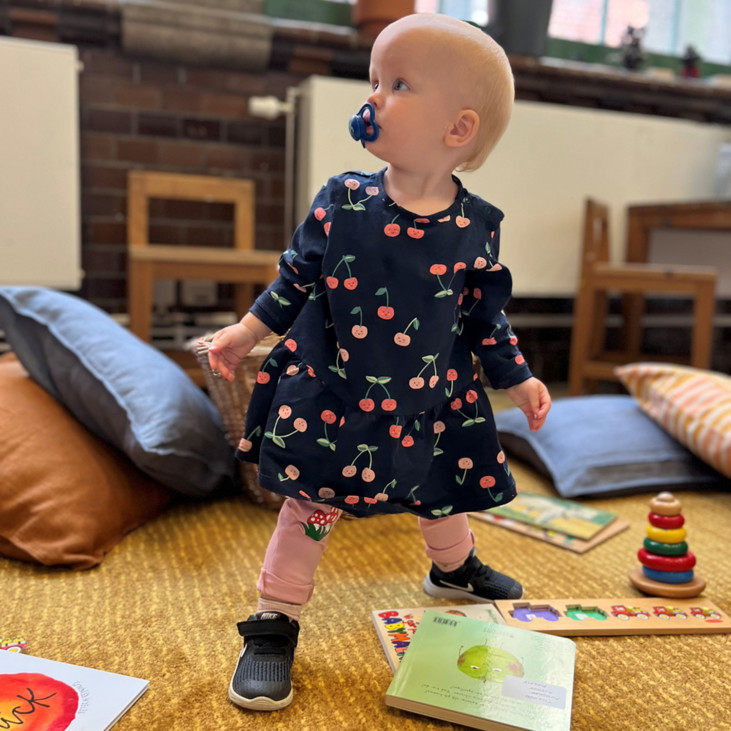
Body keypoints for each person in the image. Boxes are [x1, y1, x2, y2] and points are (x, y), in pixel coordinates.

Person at [208, 12, 551, 712]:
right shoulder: (343, 200)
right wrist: (246, 331)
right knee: (310, 505)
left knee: (440, 485)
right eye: (373, 81)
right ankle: (274, 621)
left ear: (457, 129)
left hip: (430, 394)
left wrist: (517, 375)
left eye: (396, 84)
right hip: (336, 393)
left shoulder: (476, 226)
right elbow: (296, 277)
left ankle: (452, 569)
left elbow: (483, 317)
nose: (371, 99)